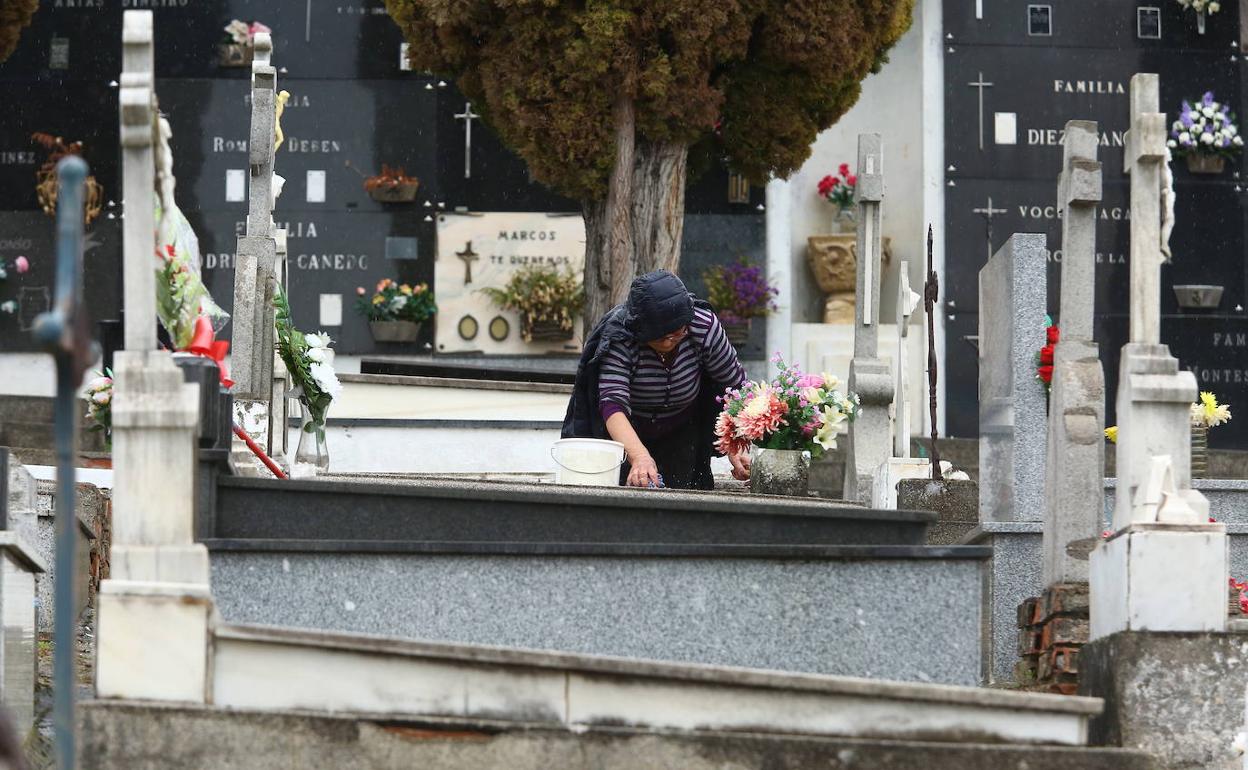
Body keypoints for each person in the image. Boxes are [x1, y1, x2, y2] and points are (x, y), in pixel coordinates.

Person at [562, 269, 752, 489]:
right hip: (628, 432)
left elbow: (734, 387)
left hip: (683, 428)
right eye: (661, 337)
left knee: (687, 495)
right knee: (628, 493)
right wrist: (639, 457)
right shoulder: (620, 337)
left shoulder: (702, 325)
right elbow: (613, 405)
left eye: (678, 333)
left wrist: (736, 444)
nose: (670, 341)